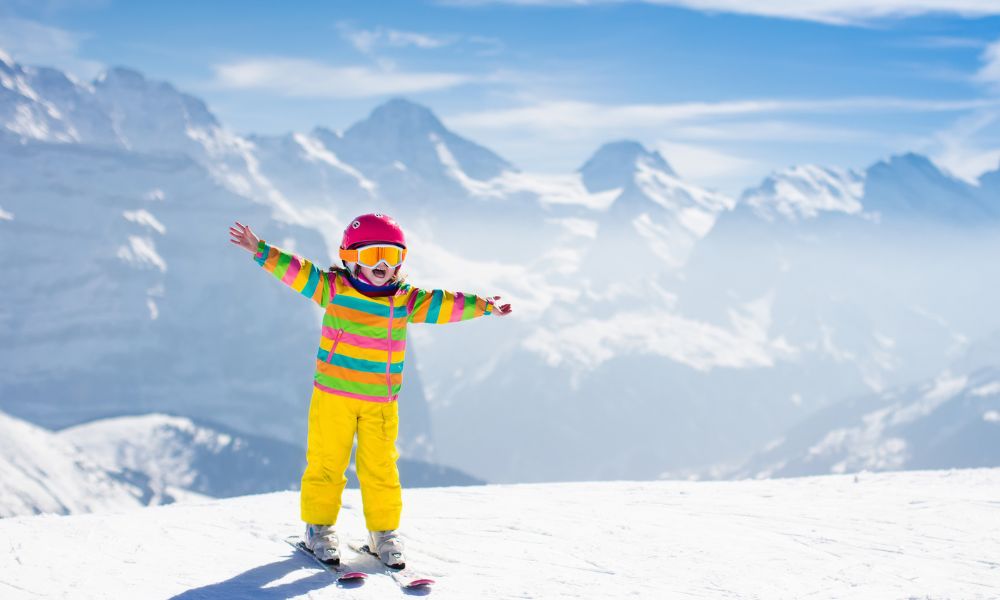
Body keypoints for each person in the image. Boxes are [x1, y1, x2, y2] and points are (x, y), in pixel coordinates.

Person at [229, 213, 511, 569]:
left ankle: (383, 533)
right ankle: (318, 529)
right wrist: (261, 250)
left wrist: (484, 306)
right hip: (333, 397)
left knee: (381, 469)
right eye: (373, 254)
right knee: (326, 464)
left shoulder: (404, 300)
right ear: (351, 256)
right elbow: (299, 272)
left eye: (392, 256)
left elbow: (444, 304)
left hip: (380, 404)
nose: (382, 264)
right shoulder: (334, 288)